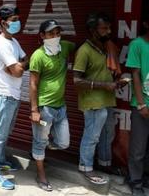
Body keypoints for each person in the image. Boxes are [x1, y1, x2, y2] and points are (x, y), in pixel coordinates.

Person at [73, 13, 127, 185]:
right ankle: (86, 167)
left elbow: (104, 74)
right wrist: (104, 85)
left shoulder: (106, 48)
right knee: (92, 136)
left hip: (107, 99)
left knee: (107, 135)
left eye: (109, 28)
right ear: (92, 30)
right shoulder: (84, 51)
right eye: (104, 28)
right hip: (93, 102)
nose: (109, 31)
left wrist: (116, 84)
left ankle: (104, 164)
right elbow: (77, 80)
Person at [29, 20, 75, 191]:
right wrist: (34, 110)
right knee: (40, 142)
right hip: (45, 108)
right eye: (51, 34)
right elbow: (33, 84)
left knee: (63, 143)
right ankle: (41, 175)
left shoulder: (65, 47)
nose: (55, 36)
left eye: (57, 33)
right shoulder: (38, 56)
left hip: (61, 107)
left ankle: (38, 147)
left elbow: (84, 47)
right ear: (42, 36)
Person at [0, 4, 28, 190]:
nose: (18, 23)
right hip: (5, 95)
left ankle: (1, 160)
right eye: (14, 20)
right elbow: (19, 71)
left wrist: (17, 66)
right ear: (3, 23)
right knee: (0, 135)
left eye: (18, 19)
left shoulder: (14, 41)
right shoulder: (1, 44)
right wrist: (17, 67)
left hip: (14, 94)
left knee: (6, 133)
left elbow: (25, 61)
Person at [126, 17, 149, 196]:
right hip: (142, 105)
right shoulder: (138, 44)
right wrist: (141, 104)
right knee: (138, 149)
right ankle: (136, 183)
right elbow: (135, 75)